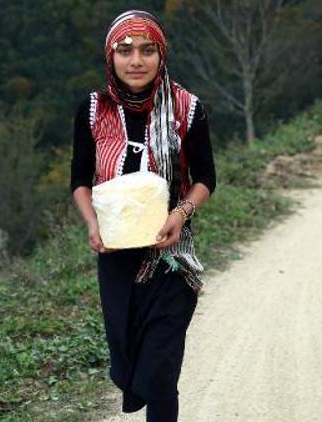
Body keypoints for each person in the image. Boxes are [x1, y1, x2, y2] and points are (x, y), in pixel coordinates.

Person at [69, 10, 216, 422]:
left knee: (161, 376)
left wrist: (181, 213)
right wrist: (92, 223)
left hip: (171, 262)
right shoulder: (94, 110)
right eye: (126, 50)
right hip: (116, 262)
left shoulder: (187, 108)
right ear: (110, 56)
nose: (137, 60)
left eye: (148, 50)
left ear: (161, 55)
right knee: (131, 365)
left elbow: (206, 177)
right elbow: (79, 180)